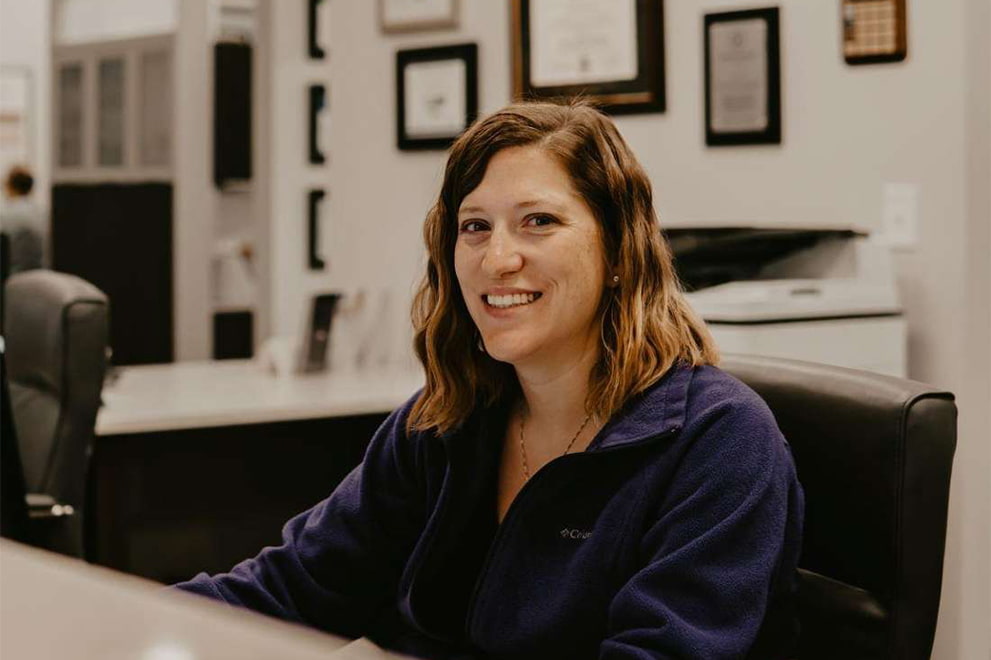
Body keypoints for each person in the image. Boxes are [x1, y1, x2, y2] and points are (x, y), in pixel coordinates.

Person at [175, 101, 804, 659]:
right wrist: (112, 621)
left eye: (539, 221)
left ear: (618, 253)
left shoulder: (719, 443)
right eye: (475, 227)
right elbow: (292, 587)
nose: (497, 259)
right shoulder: (448, 419)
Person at [0, 166, 47, 274]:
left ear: (9, 186)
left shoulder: (6, 213)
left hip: (13, 273)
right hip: (39, 271)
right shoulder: (40, 213)